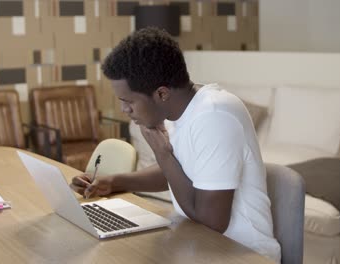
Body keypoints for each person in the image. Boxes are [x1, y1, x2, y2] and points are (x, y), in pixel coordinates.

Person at [70, 27, 281, 263]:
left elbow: (213, 221)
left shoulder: (214, 115)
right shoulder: (179, 111)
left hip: (243, 253)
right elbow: (182, 173)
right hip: (198, 243)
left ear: (161, 94)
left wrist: (163, 153)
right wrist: (113, 182)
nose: (124, 110)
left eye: (128, 101)